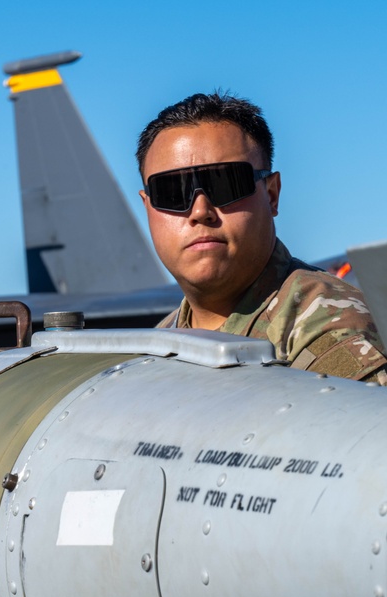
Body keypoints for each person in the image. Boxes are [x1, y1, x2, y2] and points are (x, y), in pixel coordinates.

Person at [136, 92, 387, 383]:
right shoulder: (156, 347)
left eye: (226, 183)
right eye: (171, 192)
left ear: (271, 195)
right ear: (147, 207)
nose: (200, 210)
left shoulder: (332, 330)